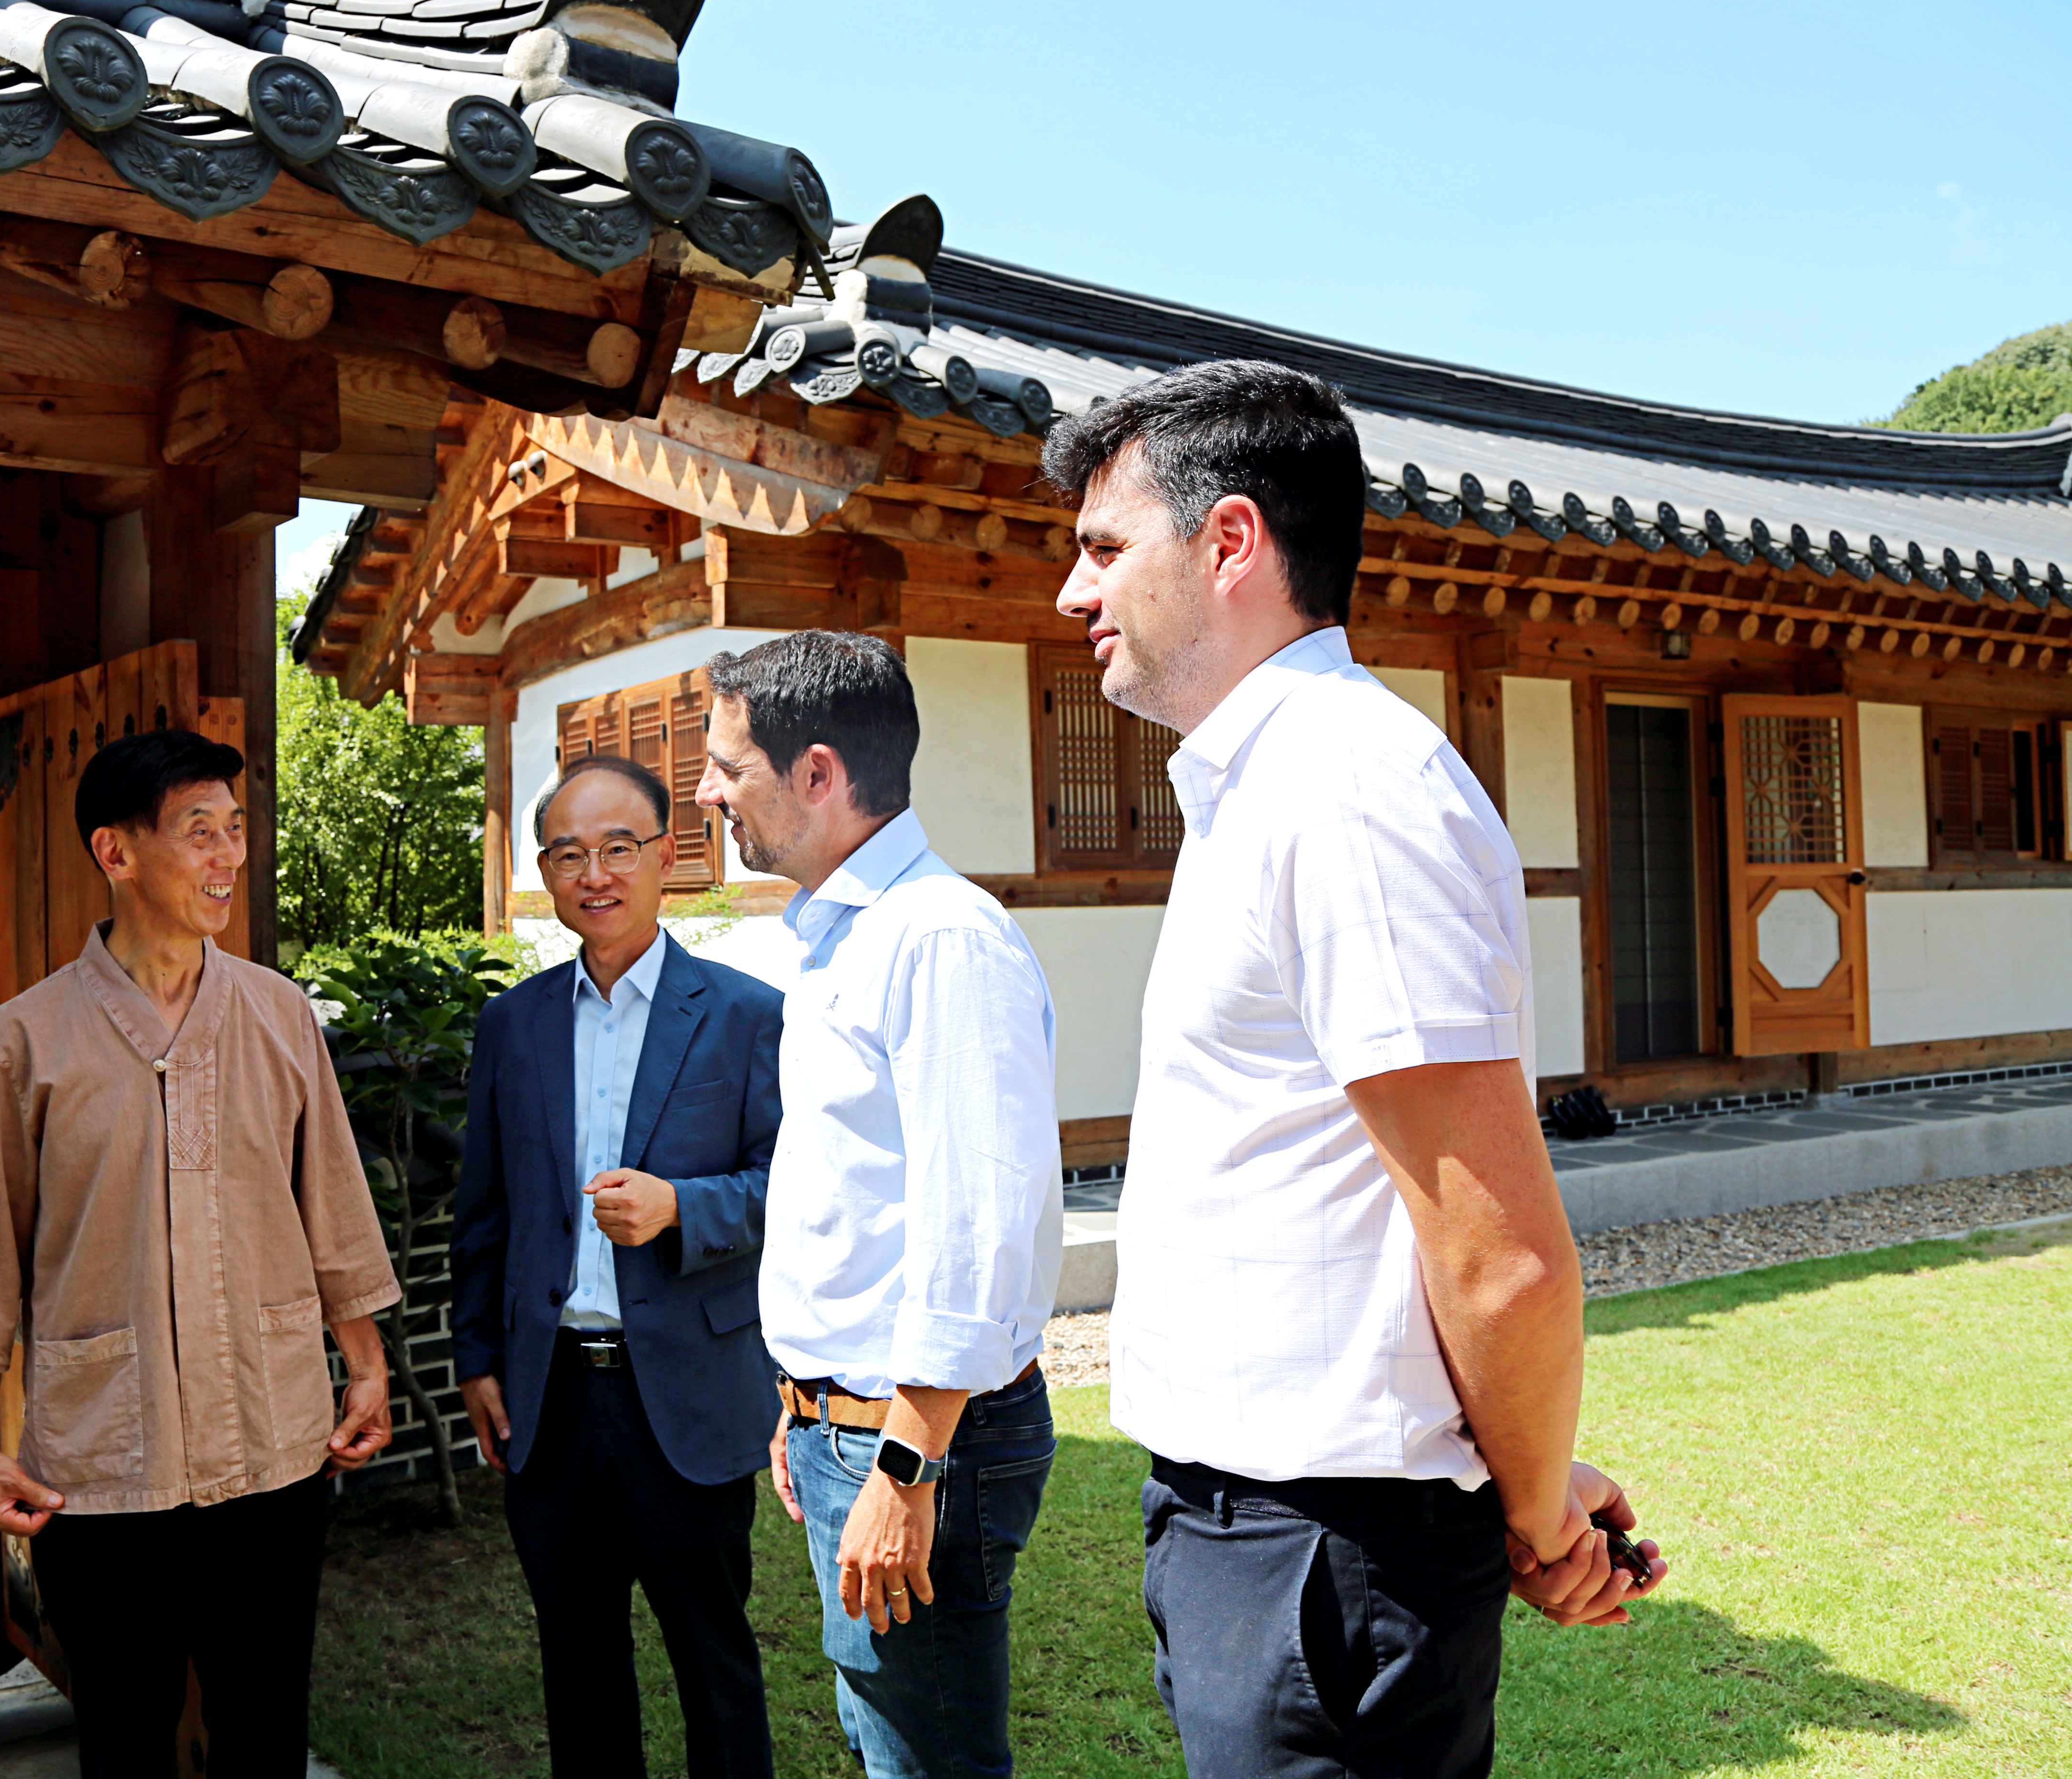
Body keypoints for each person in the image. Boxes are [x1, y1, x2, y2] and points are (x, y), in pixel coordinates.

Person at [1043, 360, 1671, 1779]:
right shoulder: (1263, 788)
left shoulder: (1346, 793)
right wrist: (1527, 1485)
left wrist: (1534, 1519)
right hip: (1267, 1525)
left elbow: (1498, 1249)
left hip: (1323, 1548)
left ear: (1231, 541)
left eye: (1100, 549)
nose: (1073, 596)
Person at [0, 729, 399, 1779]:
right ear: (117, 852)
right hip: (103, 1467)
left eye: (236, 831)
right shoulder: (24, 1039)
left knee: (266, 1733)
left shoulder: (279, 1015)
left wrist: (364, 1363)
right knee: (124, 1739)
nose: (228, 855)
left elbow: (331, 1199)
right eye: (201, 833)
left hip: (275, 1441)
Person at [693, 631, 1064, 1779]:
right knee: (884, 1737)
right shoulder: (837, 935)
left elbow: (978, 1229)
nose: (706, 793)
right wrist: (807, 1402)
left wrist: (904, 1464)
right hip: (844, 1424)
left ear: (816, 774)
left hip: (919, 1443)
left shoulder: (939, 940)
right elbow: (853, 1201)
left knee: (930, 1757)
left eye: (726, 765)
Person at [451, 755, 786, 1779]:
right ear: (545, 872)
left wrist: (685, 1207)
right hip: (550, 1403)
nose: (594, 873)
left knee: (714, 1669)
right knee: (578, 1668)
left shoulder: (746, 1014)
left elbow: (798, 1191)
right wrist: (477, 1359)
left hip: (682, 1396)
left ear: (669, 856)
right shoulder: (514, 1024)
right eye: (568, 853)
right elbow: (486, 1209)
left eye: (618, 848)